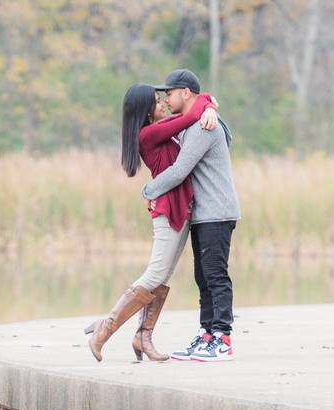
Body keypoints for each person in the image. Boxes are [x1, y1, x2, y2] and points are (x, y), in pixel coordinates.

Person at [85, 82, 219, 362]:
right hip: (168, 210)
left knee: (163, 275)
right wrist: (207, 102)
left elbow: (190, 115)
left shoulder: (159, 130)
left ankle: (143, 337)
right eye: (158, 102)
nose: (164, 105)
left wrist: (209, 106)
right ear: (146, 111)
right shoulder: (150, 133)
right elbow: (191, 116)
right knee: (155, 274)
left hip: (180, 208)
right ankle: (104, 330)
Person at [142, 69, 242, 362]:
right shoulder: (195, 121)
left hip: (216, 212)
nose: (165, 99)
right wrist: (210, 103)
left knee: (215, 274)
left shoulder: (202, 127)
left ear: (185, 93)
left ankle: (222, 338)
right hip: (203, 214)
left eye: (169, 93)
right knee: (203, 276)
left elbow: (180, 169)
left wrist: (148, 190)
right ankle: (207, 333)